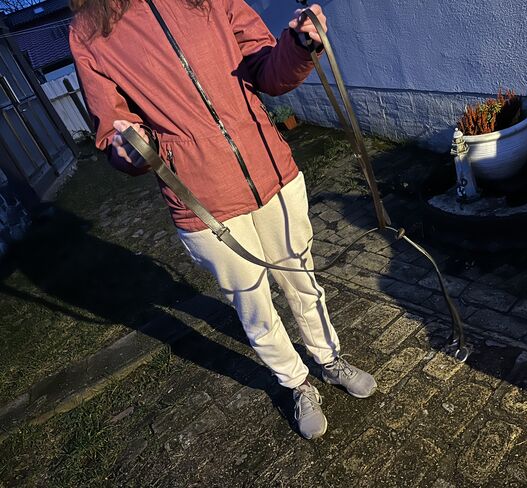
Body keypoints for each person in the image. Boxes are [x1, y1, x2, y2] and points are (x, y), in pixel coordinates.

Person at [69, 0, 377, 439]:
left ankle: (328, 360)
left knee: (301, 278)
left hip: (273, 173)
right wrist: (126, 148)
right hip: (201, 201)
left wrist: (299, 44)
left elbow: (266, 71)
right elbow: (113, 129)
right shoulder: (89, 30)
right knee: (253, 303)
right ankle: (296, 382)